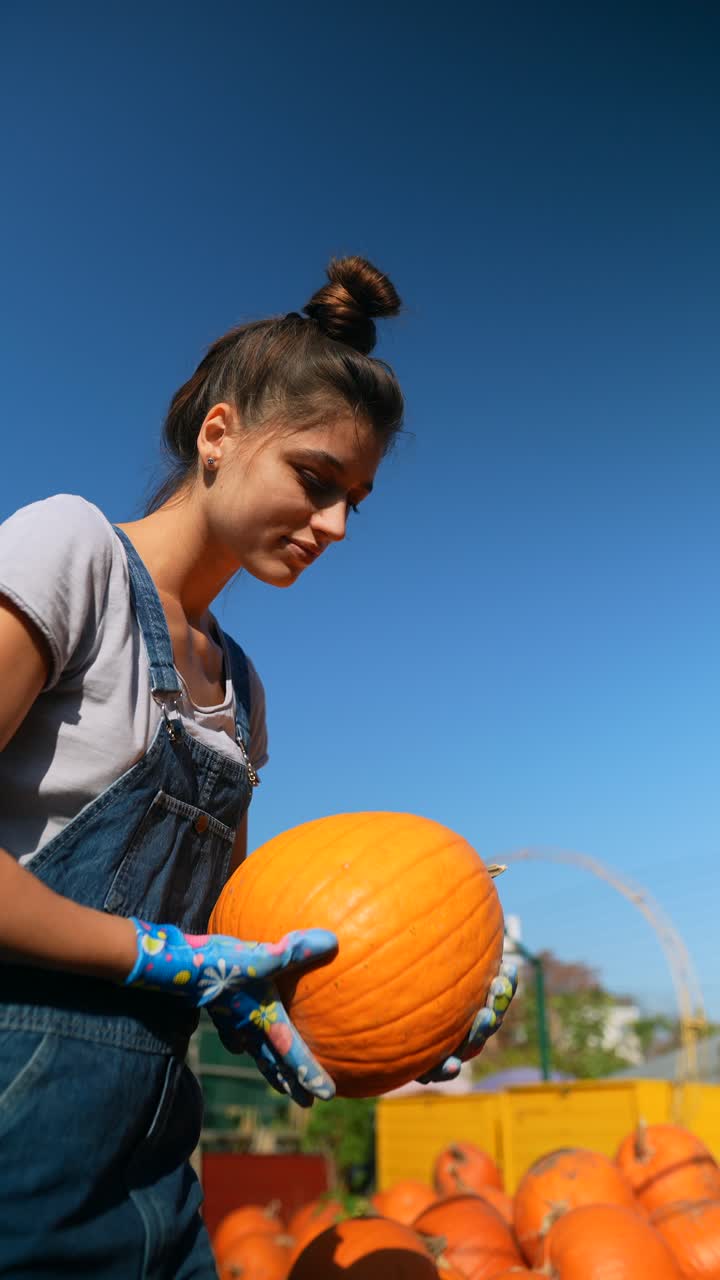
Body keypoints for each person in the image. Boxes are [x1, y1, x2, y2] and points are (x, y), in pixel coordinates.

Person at [0, 255, 516, 1278]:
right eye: (315, 481)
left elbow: (225, 942)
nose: (332, 526)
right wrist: (158, 955)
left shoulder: (242, 687)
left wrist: (404, 1012)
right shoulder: (73, 557)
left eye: (354, 503)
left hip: (151, 1172)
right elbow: (172, 949)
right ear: (219, 434)